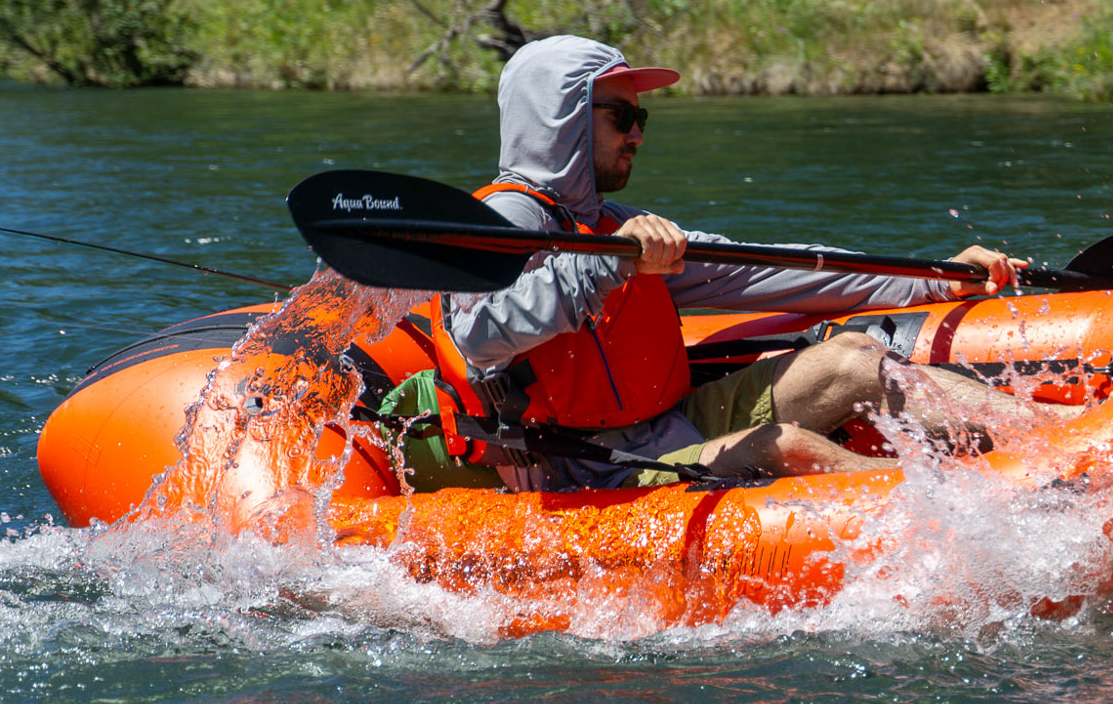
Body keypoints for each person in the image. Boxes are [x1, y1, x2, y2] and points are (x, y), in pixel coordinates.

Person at [432, 34, 1048, 491]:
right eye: (622, 116)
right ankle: (976, 512)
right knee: (786, 446)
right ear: (560, 119)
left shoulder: (617, 228)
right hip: (588, 468)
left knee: (852, 360)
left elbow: (782, 270)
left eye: (640, 118)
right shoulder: (503, 223)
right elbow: (477, 339)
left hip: (672, 424)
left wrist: (935, 275)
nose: (639, 134)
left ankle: (1066, 442)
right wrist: (608, 267)